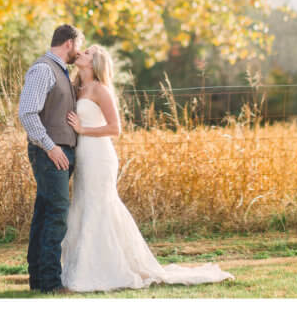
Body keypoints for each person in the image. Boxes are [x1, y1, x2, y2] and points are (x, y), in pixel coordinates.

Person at [61, 44, 233, 292]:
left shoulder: (100, 90)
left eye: (87, 53)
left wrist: (83, 130)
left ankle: (99, 271)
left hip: (99, 155)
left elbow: (115, 128)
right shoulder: (77, 87)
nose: (81, 54)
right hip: (83, 156)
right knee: (83, 205)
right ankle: (82, 267)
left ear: (95, 62)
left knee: (99, 206)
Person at [18, 24, 84, 293]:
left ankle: (39, 281)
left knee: (45, 213)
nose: (79, 51)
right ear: (69, 42)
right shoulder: (44, 69)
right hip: (50, 153)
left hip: (59, 152)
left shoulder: (62, 71)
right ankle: (50, 283)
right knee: (56, 213)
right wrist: (50, 147)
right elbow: (27, 113)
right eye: (79, 45)